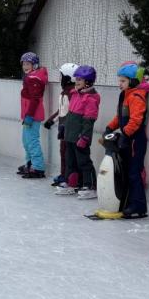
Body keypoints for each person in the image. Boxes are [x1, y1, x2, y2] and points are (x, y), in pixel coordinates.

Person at [104, 62, 149, 218]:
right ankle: (129, 201)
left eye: (123, 81)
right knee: (127, 170)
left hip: (135, 140)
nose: (120, 84)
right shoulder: (125, 95)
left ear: (133, 81)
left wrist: (125, 135)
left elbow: (136, 120)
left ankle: (139, 206)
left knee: (134, 172)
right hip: (127, 139)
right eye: (119, 80)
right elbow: (120, 116)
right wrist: (110, 127)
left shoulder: (136, 96)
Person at [56, 65, 100, 199]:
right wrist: (64, 127)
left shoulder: (91, 98)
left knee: (83, 161)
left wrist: (85, 137)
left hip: (80, 137)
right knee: (70, 160)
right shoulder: (75, 94)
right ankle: (72, 183)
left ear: (88, 81)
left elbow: (89, 120)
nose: (77, 82)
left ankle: (90, 185)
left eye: (80, 79)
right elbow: (70, 115)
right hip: (70, 135)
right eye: (76, 79)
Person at [45, 63, 79, 188]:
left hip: (69, 128)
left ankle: (69, 177)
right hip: (63, 127)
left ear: (68, 77)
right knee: (63, 151)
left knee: (68, 153)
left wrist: (66, 126)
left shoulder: (71, 93)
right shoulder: (65, 92)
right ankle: (64, 174)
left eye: (61, 76)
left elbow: (71, 112)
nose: (60, 79)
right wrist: (51, 121)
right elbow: (61, 111)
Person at [19, 52, 48, 179]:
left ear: (35, 65)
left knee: (32, 141)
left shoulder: (34, 79)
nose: (25, 66)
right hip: (28, 114)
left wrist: (29, 115)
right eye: (24, 64)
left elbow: (35, 99)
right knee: (26, 141)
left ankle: (38, 167)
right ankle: (30, 163)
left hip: (33, 115)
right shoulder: (30, 76)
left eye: (28, 64)